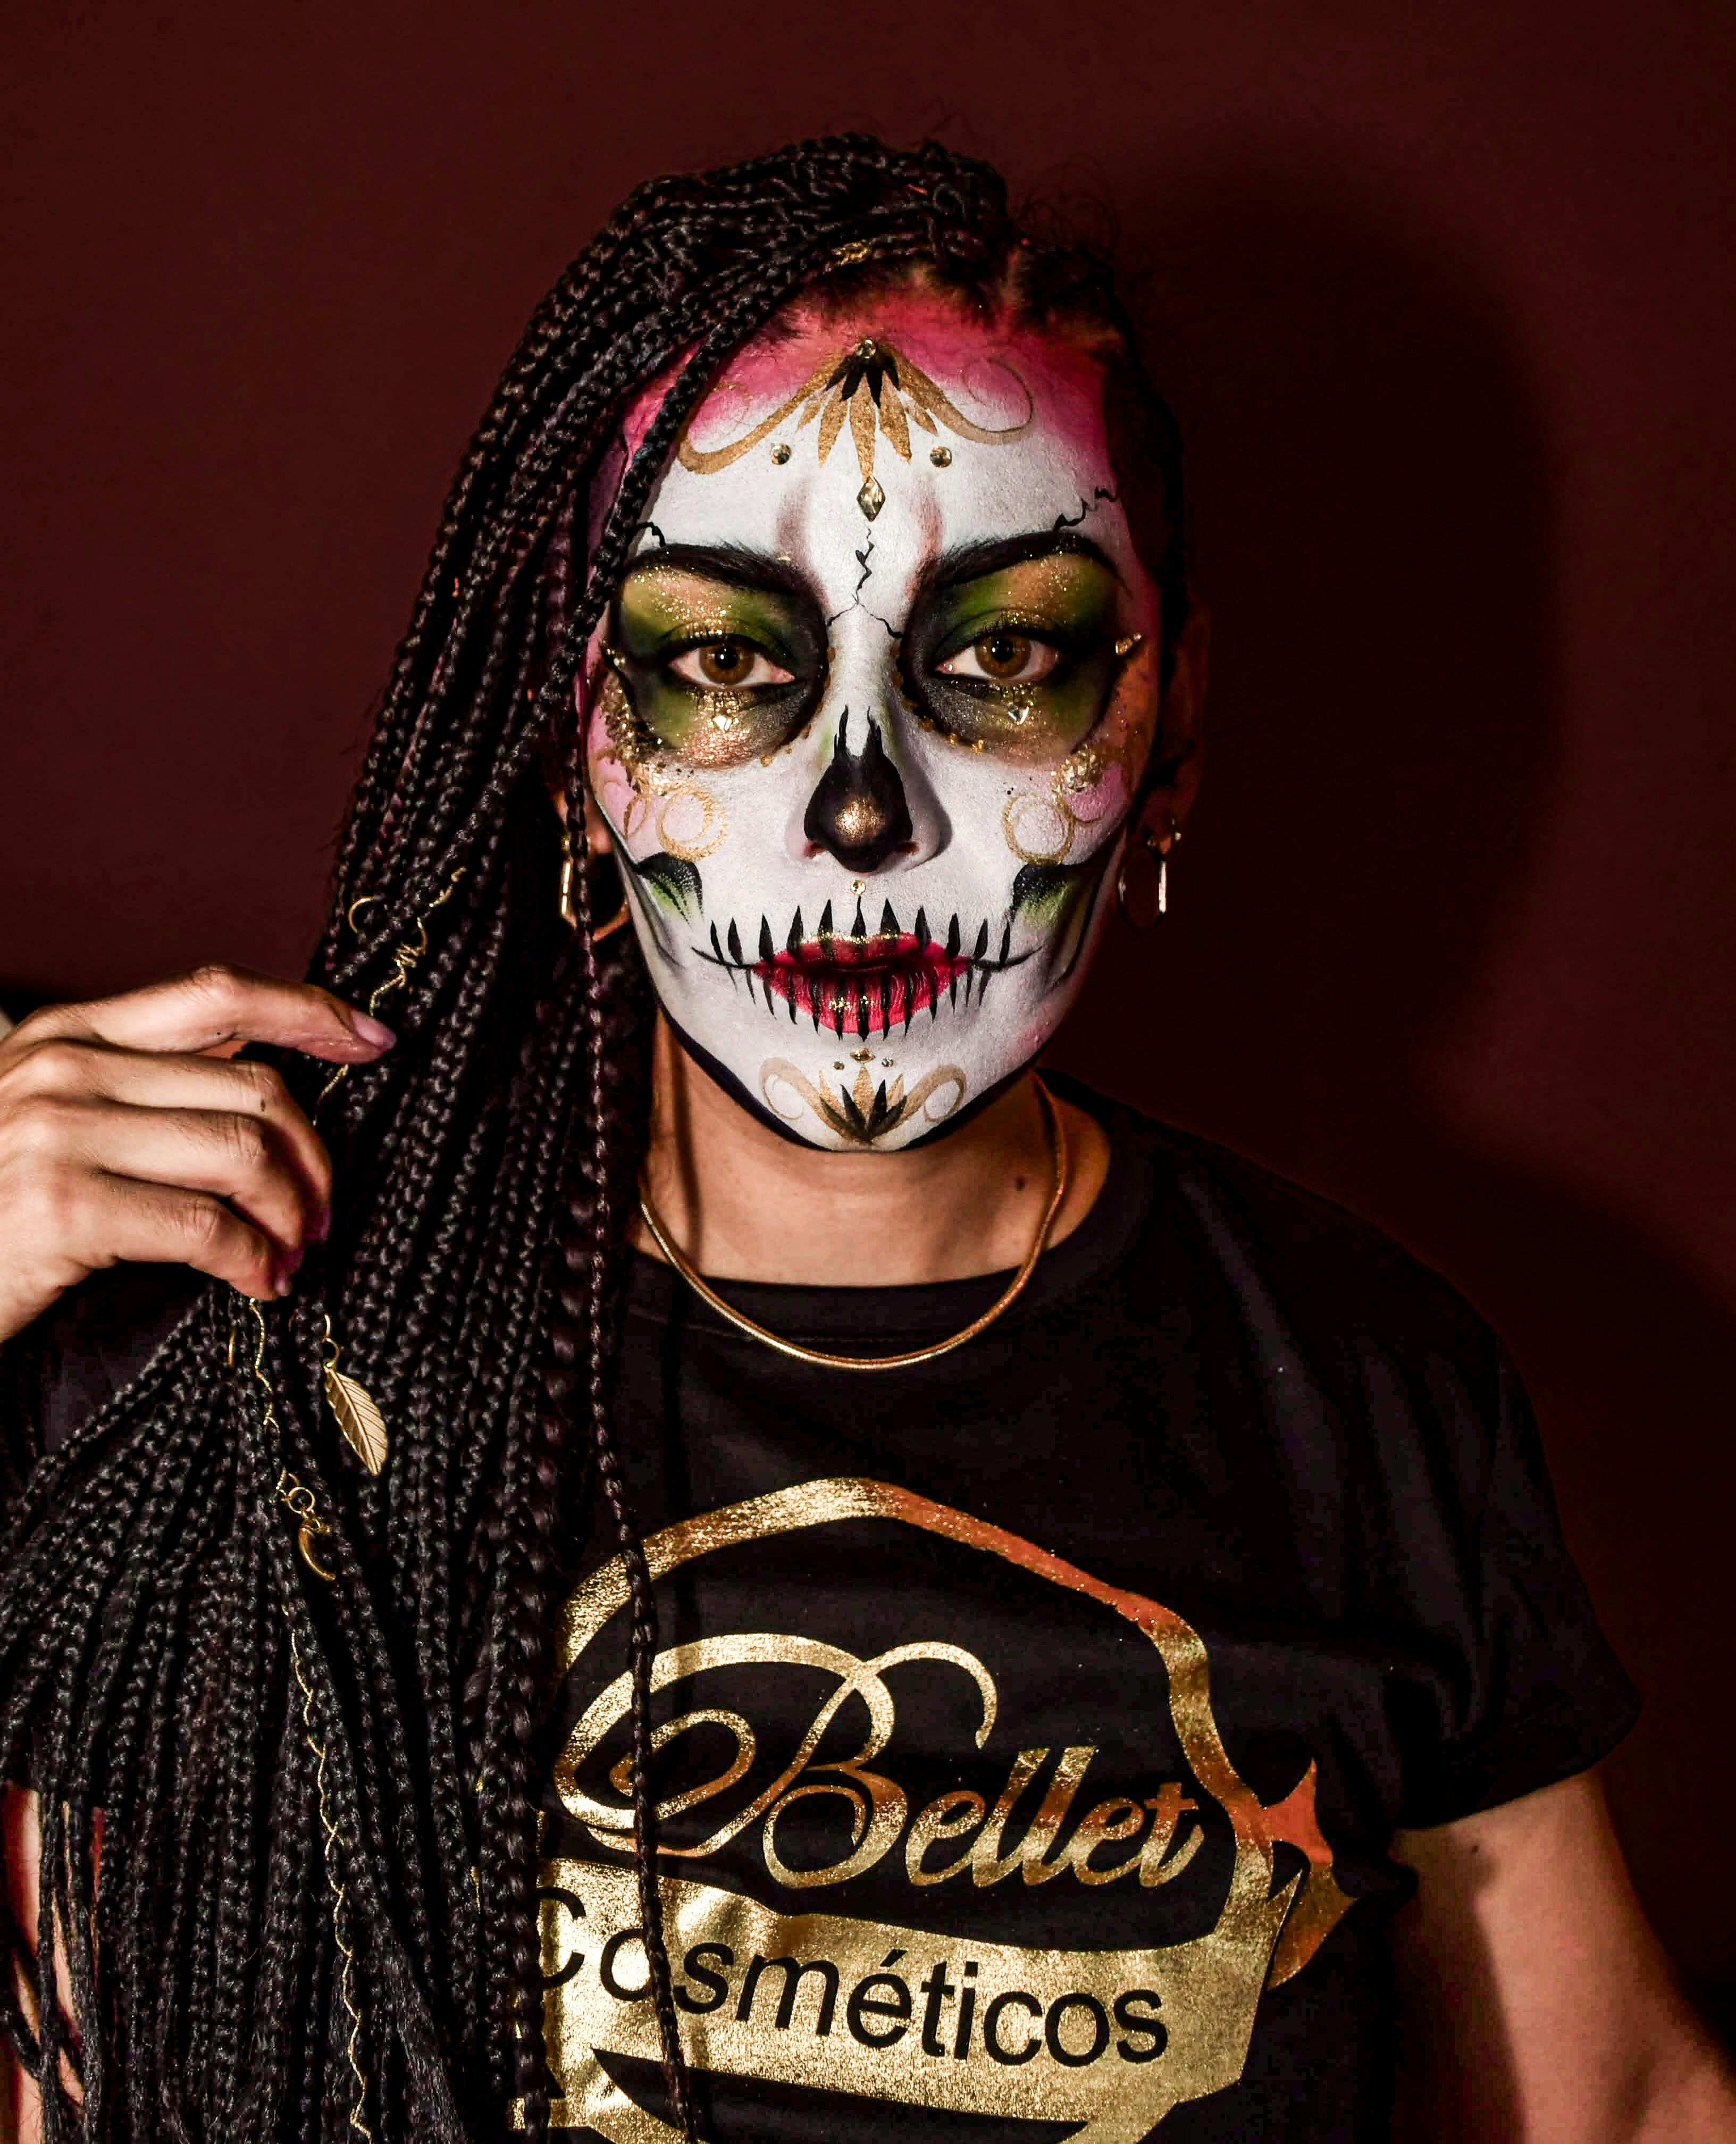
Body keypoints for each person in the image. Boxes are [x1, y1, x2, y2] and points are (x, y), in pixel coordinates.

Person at [0, 134, 1728, 2144]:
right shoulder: (249, 1339)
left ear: (1167, 729)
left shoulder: (1358, 1389)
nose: (856, 811)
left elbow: (1616, 2106)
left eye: (999, 658)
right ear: (569, 744)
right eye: (724, 664)